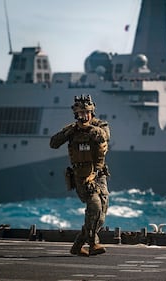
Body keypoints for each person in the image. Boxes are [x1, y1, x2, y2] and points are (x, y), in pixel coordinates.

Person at [50, 94, 110, 256]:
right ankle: (93, 244)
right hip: (82, 177)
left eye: (87, 113)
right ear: (76, 115)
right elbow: (53, 143)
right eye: (81, 114)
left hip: (99, 175)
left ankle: (77, 245)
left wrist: (89, 128)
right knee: (95, 208)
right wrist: (70, 131)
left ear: (92, 113)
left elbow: (104, 136)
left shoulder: (99, 126)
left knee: (101, 216)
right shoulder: (72, 130)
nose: (84, 116)